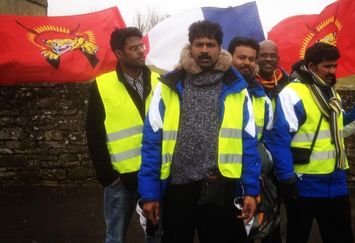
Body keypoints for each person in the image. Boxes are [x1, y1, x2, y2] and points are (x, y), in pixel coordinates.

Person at [137, 20, 261, 243]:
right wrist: (149, 193)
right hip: (178, 187)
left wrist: (251, 190)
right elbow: (152, 143)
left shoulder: (237, 87)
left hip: (220, 187)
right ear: (190, 46)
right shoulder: (168, 86)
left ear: (220, 47)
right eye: (199, 44)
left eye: (210, 45)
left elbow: (248, 142)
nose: (204, 50)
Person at [266, 42, 355, 243]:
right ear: (311, 67)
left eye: (335, 66)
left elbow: (337, 126)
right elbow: (278, 139)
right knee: (298, 236)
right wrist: (286, 179)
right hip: (304, 183)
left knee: (341, 237)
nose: (332, 71)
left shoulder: (330, 91)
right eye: (327, 66)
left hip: (336, 181)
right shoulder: (292, 94)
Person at [86, 27, 160, 243]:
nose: (141, 51)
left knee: (156, 234)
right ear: (119, 53)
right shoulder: (102, 85)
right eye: (134, 47)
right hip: (121, 179)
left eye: (141, 46)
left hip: (155, 173)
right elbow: (94, 133)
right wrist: (108, 176)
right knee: (115, 237)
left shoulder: (160, 81)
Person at [228, 36, 279, 242]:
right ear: (229, 57)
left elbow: (267, 139)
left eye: (251, 59)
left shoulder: (261, 97)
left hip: (254, 177)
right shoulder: (218, 92)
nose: (246, 63)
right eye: (241, 57)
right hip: (225, 181)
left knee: (257, 231)